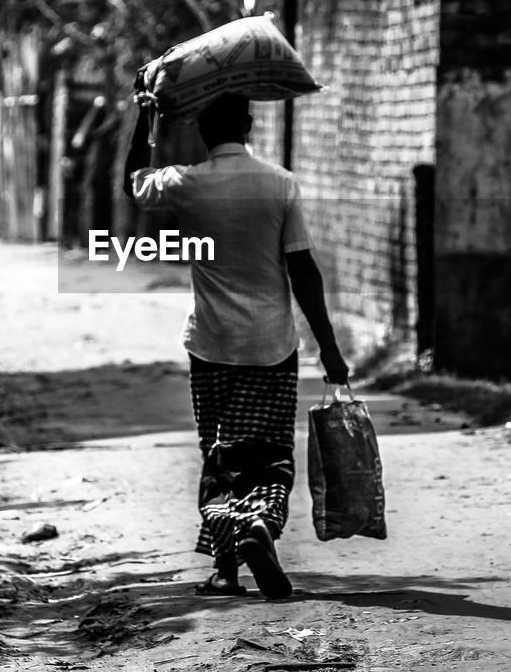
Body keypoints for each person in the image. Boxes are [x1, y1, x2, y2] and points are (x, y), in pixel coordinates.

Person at [123, 92, 349, 599]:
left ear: (204, 133)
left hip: (209, 343)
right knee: (268, 456)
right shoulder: (280, 184)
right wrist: (329, 349)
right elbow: (303, 271)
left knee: (219, 457)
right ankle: (261, 526)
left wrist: (147, 116)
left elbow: (133, 183)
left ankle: (226, 568)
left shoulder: (186, 182)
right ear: (248, 125)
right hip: (271, 344)